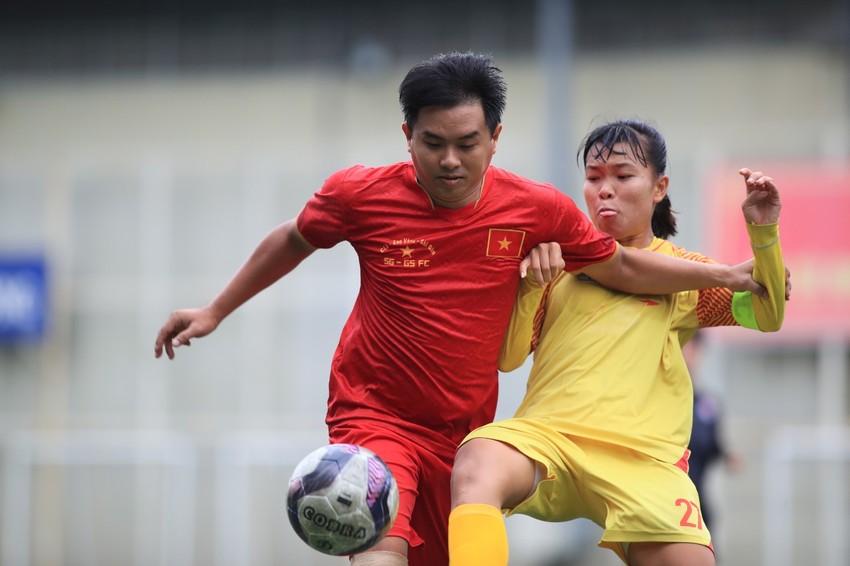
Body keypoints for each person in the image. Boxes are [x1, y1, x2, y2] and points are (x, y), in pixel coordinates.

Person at [154, 55, 765, 566]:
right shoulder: (361, 194)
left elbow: (624, 267)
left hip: (462, 431)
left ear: (494, 138)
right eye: (433, 143)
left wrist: (731, 272)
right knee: (381, 547)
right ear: (407, 135)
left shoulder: (537, 210)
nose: (450, 161)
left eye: (468, 144)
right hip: (374, 410)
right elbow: (294, 237)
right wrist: (215, 309)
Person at [448, 118, 786, 566]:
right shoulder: (558, 258)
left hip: (643, 463)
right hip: (551, 443)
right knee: (477, 460)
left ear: (659, 187)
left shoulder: (683, 272)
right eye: (593, 178)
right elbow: (508, 358)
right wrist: (532, 284)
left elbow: (768, 314)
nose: (604, 190)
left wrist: (763, 233)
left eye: (623, 176)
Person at [685, 331, 744, 533]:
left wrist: (727, 455)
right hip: (658, 503)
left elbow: (713, 445)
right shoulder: (653, 400)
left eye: (694, 347)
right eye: (683, 345)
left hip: (696, 505)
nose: (687, 353)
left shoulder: (706, 404)